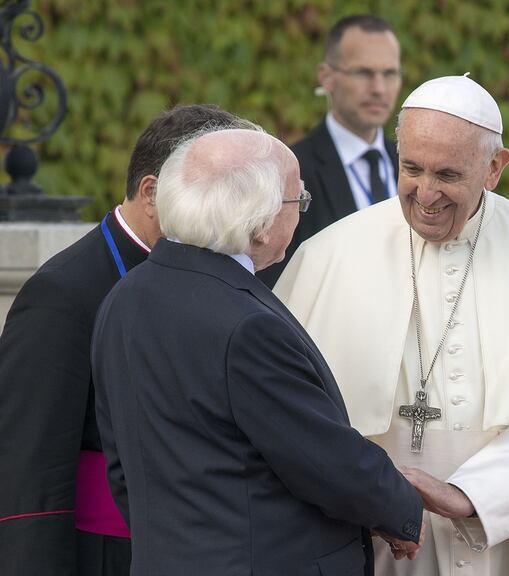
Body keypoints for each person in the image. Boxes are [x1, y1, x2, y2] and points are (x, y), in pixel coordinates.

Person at [274, 74, 509, 575]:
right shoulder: (329, 255)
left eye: (448, 175)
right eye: (411, 169)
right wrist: (370, 495)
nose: (426, 194)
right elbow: (295, 414)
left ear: (494, 167)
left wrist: (468, 495)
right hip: (382, 537)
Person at [91, 127, 423, 574]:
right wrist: (399, 507)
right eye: (297, 201)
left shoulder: (123, 298)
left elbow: (123, 468)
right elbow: (321, 460)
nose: (301, 213)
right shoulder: (248, 327)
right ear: (261, 224)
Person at [0, 104, 251, 576]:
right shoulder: (63, 294)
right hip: (106, 555)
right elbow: (27, 473)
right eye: (222, 193)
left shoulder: (218, 274)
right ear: (152, 192)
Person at [258, 13, 402, 286]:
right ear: (326, 78)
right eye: (363, 73)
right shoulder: (291, 171)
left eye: (389, 73)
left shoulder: (414, 164)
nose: (379, 88)